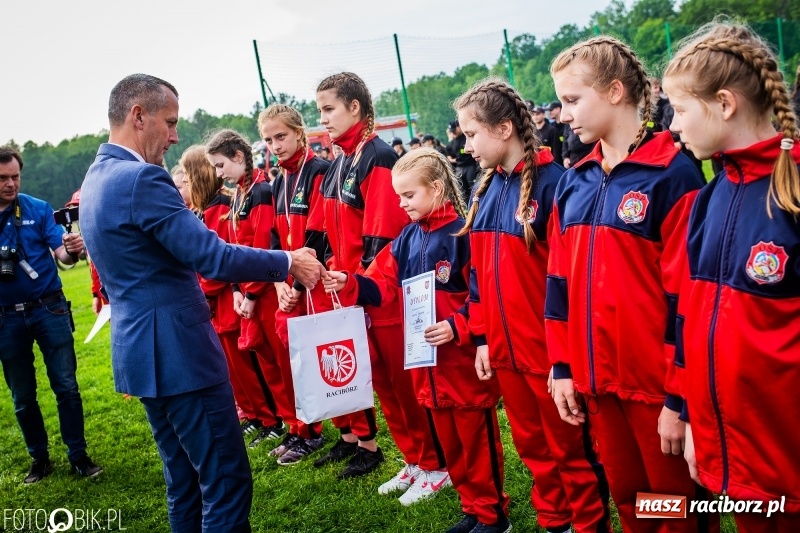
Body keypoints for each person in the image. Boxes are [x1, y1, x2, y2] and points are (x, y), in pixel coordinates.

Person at [80, 74, 325, 533]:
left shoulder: (96, 178)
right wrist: (288, 260)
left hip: (142, 354)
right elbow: (210, 254)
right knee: (225, 481)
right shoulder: (140, 179)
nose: (175, 136)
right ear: (138, 116)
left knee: (185, 481)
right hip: (180, 355)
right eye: (170, 123)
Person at [548, 38, 713, 533]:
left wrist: (678, 399)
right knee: (630, 499)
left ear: (616, 91)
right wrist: (561, 363)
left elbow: (690, 298)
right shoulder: (573, 181)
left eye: (572, 100)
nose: (562, 114)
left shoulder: (673, 174)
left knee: (677, 507)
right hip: (597, 386)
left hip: (656, 393)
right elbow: (558, 283)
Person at [455, 79, 610, 533]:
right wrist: (482, 337)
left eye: (471, 134)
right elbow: (480, 278)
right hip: (505, 356)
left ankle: (587, 524)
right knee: (533, 450)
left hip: (549, 357)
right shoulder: (486, 191)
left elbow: (570, 280)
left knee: (572, 452)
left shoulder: (555, 186)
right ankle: (554, 522)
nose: (465, 147)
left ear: (504, 129)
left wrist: (562, 358)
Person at [664, 22, 800, 531]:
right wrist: (698, 422)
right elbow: (694, 324)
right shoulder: (708, 199)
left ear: (724, 104)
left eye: (679, 110)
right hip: (733, 458)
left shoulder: (792, 194)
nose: (672, 127)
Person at [323, 148, 508, 523]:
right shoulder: (406, 238)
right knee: (452, 446)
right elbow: (383, 285)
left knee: (476, 443)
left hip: (462, 368)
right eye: (398, 196)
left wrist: (457, 326)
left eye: (409, 195)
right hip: (427, 368)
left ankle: (493, 515)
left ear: (436, 188)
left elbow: (485, 295)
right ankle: (472, 509)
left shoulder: (463, 233)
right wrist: (350, 282)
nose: (401, 204)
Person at [314, 72, 443, 485]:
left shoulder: (379, 156)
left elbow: (383, 239)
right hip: (354, 291)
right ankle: (413, 460)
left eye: (329, 109)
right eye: (319, 111)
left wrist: (361, 287)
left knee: (405, 385)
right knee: (384, 385)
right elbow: (332, 233)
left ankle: (435, 464)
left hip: (383, 293)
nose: (323, 119)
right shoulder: (340, 162)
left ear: (355, 107)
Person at [0, 146, 102, 484]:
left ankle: (78, 456)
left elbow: (62, 255)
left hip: (48, 307)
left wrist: (72, 252)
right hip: (5, 318)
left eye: (15, 177)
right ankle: (39, 459)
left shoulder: (37, 208)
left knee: (66, 386)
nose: (10, 184)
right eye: (3, 179)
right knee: (22, 396)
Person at [180, 144, 283, 448]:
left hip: (230, 298)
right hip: (229, 298)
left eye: (187, 175)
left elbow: (223, 258)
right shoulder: (214, 205)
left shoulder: (223, 204)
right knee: (236, 369)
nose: (185, 181)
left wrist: (214, 290)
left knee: (251, 366)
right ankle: (255, 415)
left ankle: (270, 417)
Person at [205, 129, 294, 450]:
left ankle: (302, 428)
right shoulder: (242, 192)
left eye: (220, 165)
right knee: (268, 362)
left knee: (281, 363)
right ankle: (287, 424)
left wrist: (253, 293)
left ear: (238, 157)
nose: (218, 174)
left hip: (268, 294)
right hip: (250, 294)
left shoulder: (261, 191)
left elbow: (261, 249)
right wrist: (239, 290)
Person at [257, 103, 330, 464]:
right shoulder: (277, 180)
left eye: (281, 136)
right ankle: (300, 427)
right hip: (287, 286)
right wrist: (276, 284)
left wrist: (298, 286)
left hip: (314, 283)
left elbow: (319, 234)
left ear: (300, 132)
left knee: (316, 360)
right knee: (291, 362)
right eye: (269, 140)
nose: (275, 145)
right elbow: (273, 237)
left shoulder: (319, 171)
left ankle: (315, 431)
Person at [446, 120, 479, 200]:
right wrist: (451, 159)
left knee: (473, 187)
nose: (453, 133)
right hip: (460, 167)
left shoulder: (466, 138)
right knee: (461, 189)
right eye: (452, 131)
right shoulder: (452, 142)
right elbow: (448, 154)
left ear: (459, 127)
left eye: (454, 130)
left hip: (470, 165)